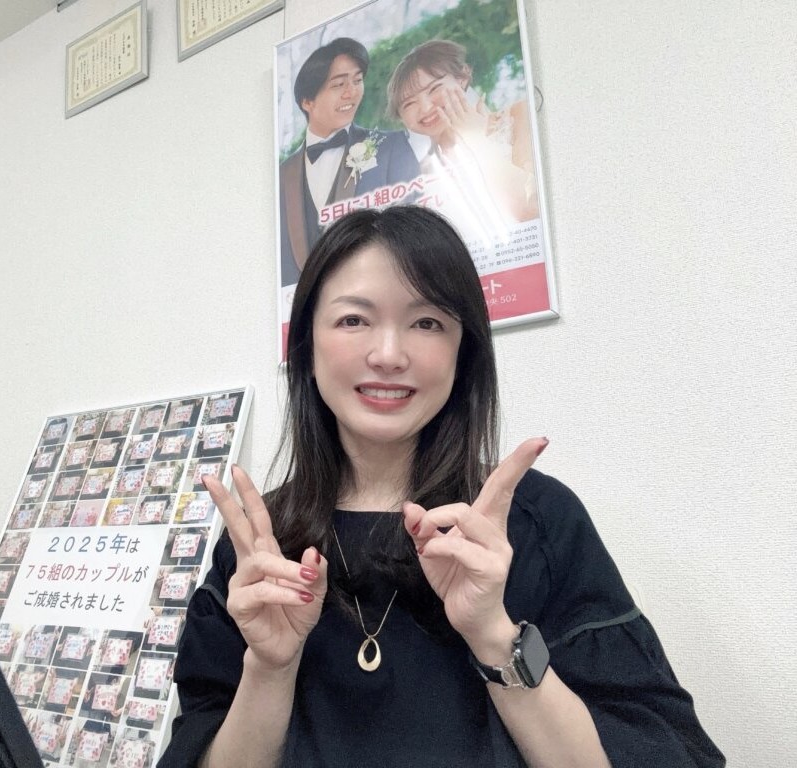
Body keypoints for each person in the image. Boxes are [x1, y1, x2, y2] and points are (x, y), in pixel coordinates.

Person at [159, 206, 723, 767]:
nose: (388, 355)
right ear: (306, 349)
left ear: (463, 353)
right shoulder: (259, 547)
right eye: (353, 320)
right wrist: (269, 669)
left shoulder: (538, 520)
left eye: (426, 322)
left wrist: (494, 635)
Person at [279, 37, 420, 286]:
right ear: (307, 102)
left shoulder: (391, 148)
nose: (352, 93)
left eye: (357, 80)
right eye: (338, 84)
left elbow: (416, 234)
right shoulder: (282, 175)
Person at [387, 40, 539, 247]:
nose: (425, 108)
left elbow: (531, 209)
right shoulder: (417, 175)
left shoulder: (518, 117)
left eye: (434, 88)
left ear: (462, 77)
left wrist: (476, 137)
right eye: (409, 103)